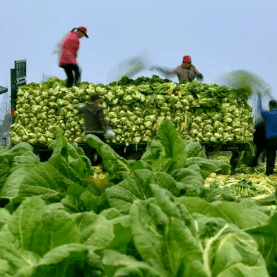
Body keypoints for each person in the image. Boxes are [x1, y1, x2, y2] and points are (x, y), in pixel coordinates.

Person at [78, 93, 115, 165]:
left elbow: (80, 110)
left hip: (88, 133)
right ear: (96, 100)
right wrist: (108, 129)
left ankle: (91, 166)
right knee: (103, 149)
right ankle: (100, 164)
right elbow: (102, 120)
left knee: (89, 151)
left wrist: (80, 106)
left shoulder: (85, 108)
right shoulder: (99, 109)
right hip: (97, 132)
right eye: (99, 99)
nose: (100, 100)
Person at [257, 92, 277, 175]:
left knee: (270, 157)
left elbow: (260, 110)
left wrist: (259, 98)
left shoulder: (268, 114)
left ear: (270, 106)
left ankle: (269, 173)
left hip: (270, 139)